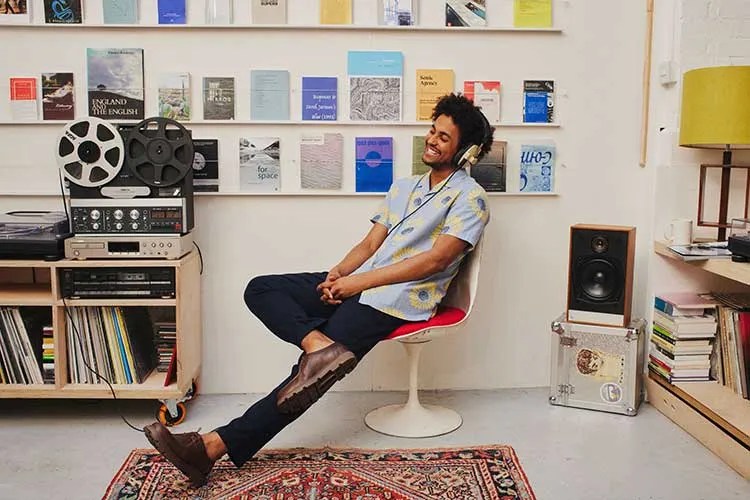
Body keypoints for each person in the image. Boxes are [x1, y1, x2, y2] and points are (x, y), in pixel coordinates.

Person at [143, 93, 494, 487]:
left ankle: (208, 449)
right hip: (362, 286)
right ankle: (317, 346)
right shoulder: (404, 187)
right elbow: (369, 245)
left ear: (466, 151)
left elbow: (435, 261)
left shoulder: (471, 199)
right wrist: (336, 275)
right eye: (432, 130)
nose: (431, 140)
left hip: (399, 301)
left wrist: (354, 284)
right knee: (261, 290)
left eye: (444, 137)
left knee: (304, 381)